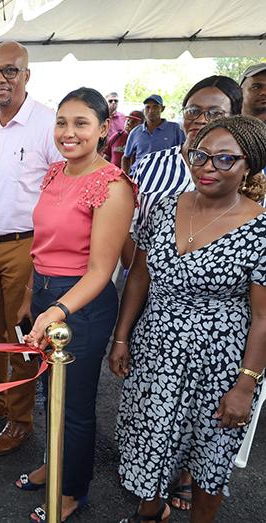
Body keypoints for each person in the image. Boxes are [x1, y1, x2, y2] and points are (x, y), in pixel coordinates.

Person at [110, 115, 266, 523]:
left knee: (208, 460)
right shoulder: (165, 207)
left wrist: (246, 385)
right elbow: (139, 275)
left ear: (249, 164)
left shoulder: (261, 228)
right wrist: (122, 337)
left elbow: (264, 317)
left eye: (224, 160)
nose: (207, 167)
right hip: (156, 347)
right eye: (200, 156)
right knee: (150, 439)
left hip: (220, 363)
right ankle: (149, 513)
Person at [17, 87, 137, 523]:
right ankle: (56, 462)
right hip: (49, 295)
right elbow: (40, 243)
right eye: (61, 122)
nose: (68, 132)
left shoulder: (113, 186)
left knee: (77, 403)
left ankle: (72, 491)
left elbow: (100, 272)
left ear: (105, 129)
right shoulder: (55, 172)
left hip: (81, 306)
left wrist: (56, 310)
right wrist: (33, 296)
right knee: (52, 391)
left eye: (81, 123)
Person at [0, 41, 62, 457]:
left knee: (19, 336)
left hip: (25, 246)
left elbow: (59, 195)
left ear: (26, 75)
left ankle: (20, 419)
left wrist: (44, 259)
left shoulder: (47, 124)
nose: (0, 79)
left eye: (10, 71)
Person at [124, 76, 243, 274]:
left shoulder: (242, 170)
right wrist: (137, 275)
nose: (201, 119)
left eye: (215, 113)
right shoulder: (150, 164)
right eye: (193, 111)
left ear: (235, 118)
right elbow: (129, 227)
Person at [122, 94, 185, 175]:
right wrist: (125, 177)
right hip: (139, 177)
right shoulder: (135, 132)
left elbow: (184, 154)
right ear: (144, 110)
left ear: (162, 108)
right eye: (148, 107)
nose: (151, 110)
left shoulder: (175, 129)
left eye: (155, 107)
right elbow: (126, 157)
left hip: (166, 178)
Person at [103, 92, 127, 165]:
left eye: (116, 101)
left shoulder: (124, 118)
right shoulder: (99, 117)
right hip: (101, 154)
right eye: (110, 101)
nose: (113, 103)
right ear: (105, 102)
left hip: (116, 156)